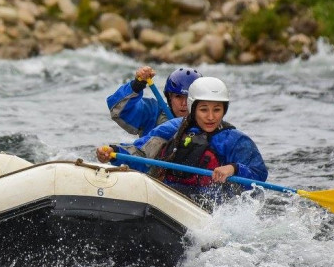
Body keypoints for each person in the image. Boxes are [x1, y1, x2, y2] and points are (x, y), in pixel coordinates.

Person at [97, 77, 268, 210]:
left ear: (224, 110)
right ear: (193, 108)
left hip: (208, 207)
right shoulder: (173, 128)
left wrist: (233, 168)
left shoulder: (234, 139)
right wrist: (113, 152)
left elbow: (259, 174)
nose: (210, 117)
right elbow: (141, 153)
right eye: (203, 109)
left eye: (217, 110)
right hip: (167, 198)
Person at [108, 66, 202, 137]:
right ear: (169, 97)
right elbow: (117, 108)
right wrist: (137, 85)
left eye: (189, 97)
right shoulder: (153, 113)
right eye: (178, 97)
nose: (184, 103)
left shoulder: (210, 121)